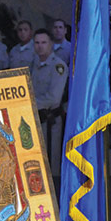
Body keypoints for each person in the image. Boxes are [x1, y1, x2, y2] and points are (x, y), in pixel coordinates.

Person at [32, 29, 68, 164]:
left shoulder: (58, 66)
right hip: (35, 120)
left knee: (51, 163)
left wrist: (29, 103)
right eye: (37, 43)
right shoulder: (33, 64)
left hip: (50, 121)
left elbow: (54, 98)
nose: (40, 46)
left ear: (51, 44)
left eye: (43, 42)